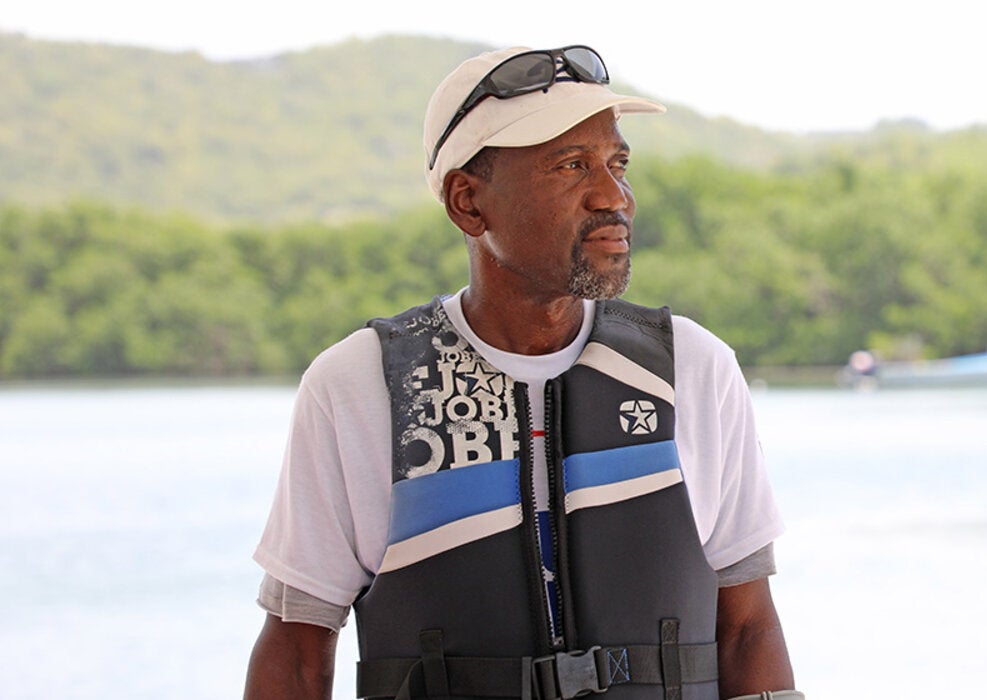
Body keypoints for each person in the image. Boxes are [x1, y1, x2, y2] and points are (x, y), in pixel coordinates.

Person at [244, 45, 799, 700]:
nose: (612, 195)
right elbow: (299, 650)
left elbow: (747, 629)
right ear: (468, 203)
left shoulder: (693, 368)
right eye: (570, 166)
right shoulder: (357, 385)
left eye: (617, 163)